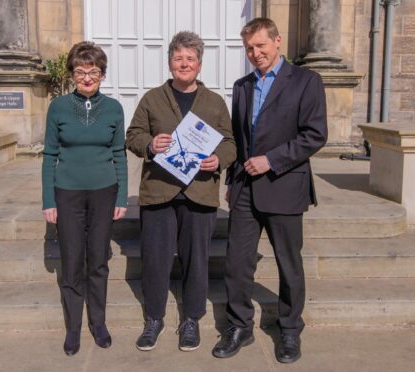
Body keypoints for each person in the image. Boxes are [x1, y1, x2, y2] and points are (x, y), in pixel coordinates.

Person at [211, 18, 327, 363]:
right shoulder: (242, 86)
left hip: (285, 186)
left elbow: (314, 135)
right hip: (245, 187)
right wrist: (232, 181)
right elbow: (239, 139)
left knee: (289, 264)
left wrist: (272, 161)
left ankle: (290, 329)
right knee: (236, 262)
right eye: (249, 48)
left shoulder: (307, 81)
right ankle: (239, 326)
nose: (255, 53)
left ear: (277, 42)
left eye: (261, 45)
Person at [126, 31, 236, 352]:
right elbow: (133, 135)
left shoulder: (214, 103)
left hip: (199, 193)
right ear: (170, 63)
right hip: (159, 191)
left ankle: (191, 320)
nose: (184, 64)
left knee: (197, 260)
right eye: (178, 58)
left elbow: (230, 143)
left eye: (190, 59)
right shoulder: (151, 99)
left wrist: (219, 160)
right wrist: (148, 143)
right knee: (156, 258)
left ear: (199, 65)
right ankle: (154, 318)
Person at [41, 41, 128, 356]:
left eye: (93, 72)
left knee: (99, 261)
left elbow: (119, 153)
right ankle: (74, 328)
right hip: (68, 194)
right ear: (72, 74)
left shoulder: (115, 108)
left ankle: (99, 323)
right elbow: (50, 154)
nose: (87, 78)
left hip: (104, 192)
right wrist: (48, 200)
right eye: (81, 72)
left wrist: (121, 196)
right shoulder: (59, 108)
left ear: (102, 74)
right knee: (73, 260)